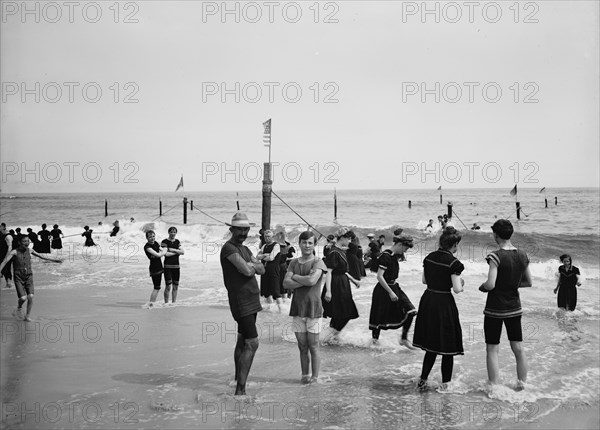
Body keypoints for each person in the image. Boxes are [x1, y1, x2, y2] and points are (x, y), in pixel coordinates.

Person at [479, 219, 532, 390]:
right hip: (514, 307)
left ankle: (493, 385)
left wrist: (482, 287)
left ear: (495, 235)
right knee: (518, 347)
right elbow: (528, 282)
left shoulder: (495, 256)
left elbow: (491, 284)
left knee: (492, 348)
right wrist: (511, 285)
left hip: (495, 308)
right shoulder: (523, 255)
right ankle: (522, 384)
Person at [413, 227, 465, 390]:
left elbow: (424, 280)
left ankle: (422, 380)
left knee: (432, 345)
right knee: (447, 347)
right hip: (443, 302)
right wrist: (461, 284)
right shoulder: (454, 263)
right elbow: (456, 289)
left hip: (428, 300)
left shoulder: (429, 257)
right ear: (455, 244)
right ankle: (446, 385)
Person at [220, 212, 265, 395]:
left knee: (242, 340)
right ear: (231, 229)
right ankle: (241, 390)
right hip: (241, 301)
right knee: (253, 343)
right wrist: (251, 265)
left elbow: (261, 269)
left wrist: (251, 265)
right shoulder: (229, 248)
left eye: (246, 229)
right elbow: (247, 271)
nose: (244, 233)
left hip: (252, 299)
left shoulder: (245, 249)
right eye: (240, 229)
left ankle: (238, 379)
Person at [283, 231, 327, 383]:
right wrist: (305, 279)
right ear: (299, 243)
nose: (307, 245)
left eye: (310, 243)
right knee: (302, 346)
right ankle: (304, 375)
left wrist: (294, 276)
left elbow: (312, 281)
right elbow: (285, 283)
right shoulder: (293, 262)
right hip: (297, 308)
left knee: (313, 346)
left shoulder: (318, 262)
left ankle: (315, 378)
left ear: (314, 245)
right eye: (304, 242)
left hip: (313, 308)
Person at [369, 231, 417, 347]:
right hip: (383, 289)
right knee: (379, 318)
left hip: (394, 286)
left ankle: (404, 339)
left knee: (411, 311)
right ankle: (374, 342)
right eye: (405, 249)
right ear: (400, 245)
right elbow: (379, 276)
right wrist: (390, 292)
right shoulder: (386, 256)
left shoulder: (394, 256)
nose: (405, 251)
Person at [0, 235, 62, 321]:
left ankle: (27, 316)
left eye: (28, 241)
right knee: (23, 298)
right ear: (19, 242)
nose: (27, 243)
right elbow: (5, 261)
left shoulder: (30, 250)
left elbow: (41, 256)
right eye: (24, 241)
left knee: (31, 296)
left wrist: (55, 260)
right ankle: (19, 307)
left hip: (29, 276)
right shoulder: (14, 252)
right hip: (18, 277)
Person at [321, 227, 361, 341]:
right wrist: (328, 291)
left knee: (338, 313)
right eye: (348, 238)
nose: (350, 241)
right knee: (347, 313)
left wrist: (353, 280)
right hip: (336, 285)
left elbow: (342, 270)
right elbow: (329, 272)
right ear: (342, 238)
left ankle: (331, 337)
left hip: (342, 283)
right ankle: (332, 335)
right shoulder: (334, 252)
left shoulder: (340, 250)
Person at [256, 230, 281, 310]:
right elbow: (257, 256)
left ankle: (281, 309)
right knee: (266, 292)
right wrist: (264, 255)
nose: (267, 238)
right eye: (265, 237)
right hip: (265, 270)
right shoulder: (264, 246)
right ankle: (271, 309)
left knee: (276, 291)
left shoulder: (276, 245)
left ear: (272, 237)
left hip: (273, 270)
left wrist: (263, 256)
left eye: (268, 236)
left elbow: (271, 258)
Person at [144, 230, 167, 307]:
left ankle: (152, 303)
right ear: (147, 238)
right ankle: (151, 304)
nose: (152, 238)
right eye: (150, 237)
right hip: (154, 268)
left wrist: (164, 251)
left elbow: (161, 250)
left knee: (158, 287)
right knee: (156, 287)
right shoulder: (147, 247)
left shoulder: (156, 243)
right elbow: (158, 255)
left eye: (153, 236)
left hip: (160, 267)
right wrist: (164, 252)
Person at [161, 227, 184, 303]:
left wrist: (172, 250)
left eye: (174, 232)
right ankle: (166, 303)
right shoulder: (164, 242)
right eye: (171, 232)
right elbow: (166, 254)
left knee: (176, 286)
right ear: (168, 232)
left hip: (176, 266)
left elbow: (183, 252)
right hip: (167, 266)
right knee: (168, 286)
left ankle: (174, 302)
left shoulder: (177, 241)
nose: (173, 233)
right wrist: (177, 252)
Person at [0, 223, 13, 288]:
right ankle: (7, 284)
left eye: (0, 227)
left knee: (7, 269)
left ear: (4, 227)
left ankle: (9, 283)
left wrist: (7, 257)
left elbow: (10, 247)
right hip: (2, 255)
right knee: (4, 270)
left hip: (6, 256)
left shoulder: (8, 236)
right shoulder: (2, 235)